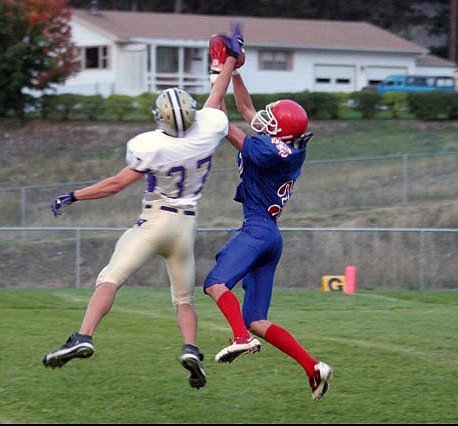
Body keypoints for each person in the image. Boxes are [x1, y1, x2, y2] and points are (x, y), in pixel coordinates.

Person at [41, 33, 244, 390]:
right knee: (183, 298)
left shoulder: (148, 146)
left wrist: (74, 195)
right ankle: (191, 349)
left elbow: (115, 184)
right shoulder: (209, 130)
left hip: (153, 222)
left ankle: (84, 336)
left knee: (110, 278)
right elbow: (216, 97)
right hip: (185, 227)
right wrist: (230, 59)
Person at [204, 32, 333, 401]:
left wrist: (224, 68)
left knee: (215, 283)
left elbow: (220, 121)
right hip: (272, 237)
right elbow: (249, 113)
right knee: (257, 318)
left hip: (257, 230)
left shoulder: (265, 152)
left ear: (278, 130)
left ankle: (240, 339)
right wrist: (238, 69)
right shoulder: (290, 148)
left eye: (272, 116)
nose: (264, 117)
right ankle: (313, 367)